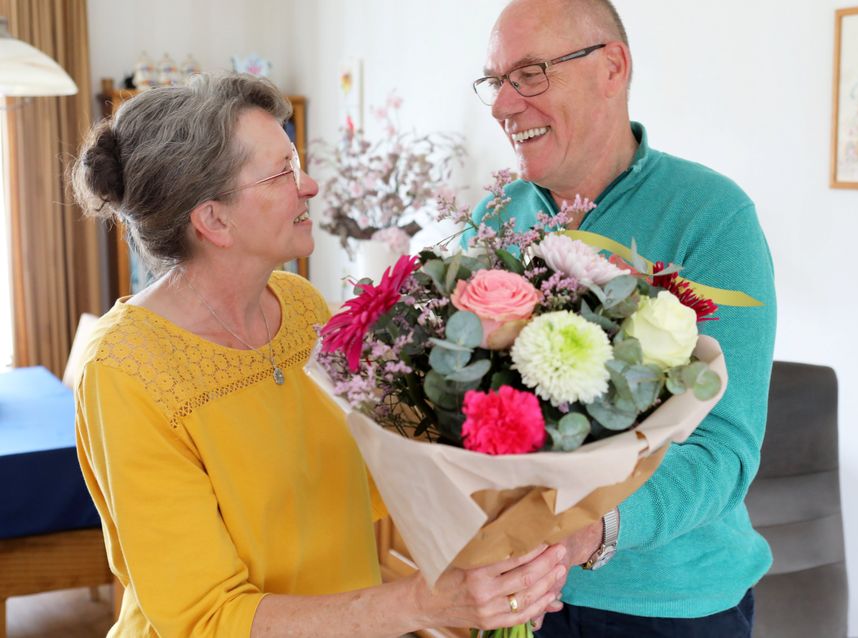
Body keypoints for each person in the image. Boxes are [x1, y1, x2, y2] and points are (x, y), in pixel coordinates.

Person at [71, 72, 566, 637]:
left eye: (296, 161)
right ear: (213, 220)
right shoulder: (125, 370)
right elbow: (206, 619)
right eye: (282, 173)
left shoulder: (302, 307)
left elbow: (360, 484)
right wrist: (423, 604)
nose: (309, 186)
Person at [469, 0, 777, 635]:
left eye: (529, 74)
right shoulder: (494, 220)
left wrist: (594, 529)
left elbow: (725, 447)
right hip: (517, 592)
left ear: (612, 67)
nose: (503, 104)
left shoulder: (711, 219)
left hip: (672, 608)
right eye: (496, 81)